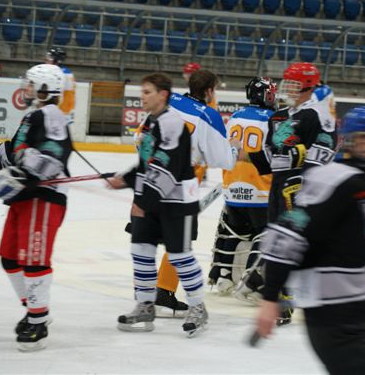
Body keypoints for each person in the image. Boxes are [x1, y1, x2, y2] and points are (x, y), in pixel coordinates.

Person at [254, 106, 365, 375]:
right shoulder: (329, 179)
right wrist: (270, 298)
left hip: (363, 311)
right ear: (349, 140)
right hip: (331, 315)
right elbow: (288, 238)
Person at [0, 63, 72, 351]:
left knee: (34, 259)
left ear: (44, 89)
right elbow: (14, 152)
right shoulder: (35, 115)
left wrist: (24, 172)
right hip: (25, 195)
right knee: (9, 256)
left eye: (31, 84)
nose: (26, 88)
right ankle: (34, 308)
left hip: (43, 197)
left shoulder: (52, 115)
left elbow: (53, 156)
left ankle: (37, 320)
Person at [109, 73, 209, 337]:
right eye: (142, 92)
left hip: (176, 203)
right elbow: (147, 163)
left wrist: (144, 202)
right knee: (141, 250)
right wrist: (125, 179)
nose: (142, 97)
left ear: (163, 94)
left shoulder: (172, 124)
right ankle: (145, 305)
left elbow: (167, 170)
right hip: (152, 199)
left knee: (179, 255)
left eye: (147, 92)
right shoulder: (152, 123)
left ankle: (198, 307)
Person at [246, 62, 337, 323]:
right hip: (278, 188)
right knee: (278, 239)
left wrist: (302, 176)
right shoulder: (277, 116)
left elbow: (325, 150)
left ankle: (309, 297)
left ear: (309, 86)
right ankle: (280, 297)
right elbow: (269, 155)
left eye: (294, 83)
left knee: (299, 243)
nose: (288, 87)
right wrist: (243, 155)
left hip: (302, 189)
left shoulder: (319, 115)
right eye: (287, 82)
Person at [150, 69, 239, 316]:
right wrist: (232, 149)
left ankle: (152, 293)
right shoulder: (208, 114)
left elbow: (142, 137)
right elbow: (223, 159)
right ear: (210, 91)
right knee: (181, 238)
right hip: (180, 184)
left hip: (153, 176)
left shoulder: (169, 101)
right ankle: (162, 292)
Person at [208, 77, 276, 297]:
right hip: (260, 188)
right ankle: (251, 281)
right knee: (264, 233)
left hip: (232, 186)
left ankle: (223, 276)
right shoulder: (274, 118)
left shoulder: (235, 117)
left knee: (233, 232)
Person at [44, 47, 75, 124]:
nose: (46, 60)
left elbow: (56, 93)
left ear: (57, 61)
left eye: (50, 58)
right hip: (63, 110)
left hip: (61, 111)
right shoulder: (64, 71)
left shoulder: (60, 73)